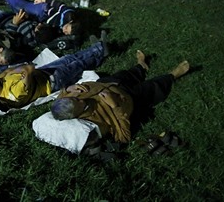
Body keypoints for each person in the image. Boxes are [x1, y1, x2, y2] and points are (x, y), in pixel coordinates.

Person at [50, 50, 190, 144]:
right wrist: (114, 106)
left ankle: (141, 65)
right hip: (129, 98)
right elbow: (124, 137)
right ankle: (173, 75)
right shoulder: (96, 122)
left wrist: (68, 89)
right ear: (76, 115)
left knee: (128, 74)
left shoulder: (63, 102)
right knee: (153, 87)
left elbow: (61, 96)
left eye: (74, 97)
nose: (80, 98)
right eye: (78, 102)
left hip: (109, 82)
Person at [0, 33, 109, 112]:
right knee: (77, 64)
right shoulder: (15, 93)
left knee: (68, 59)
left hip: (43, 74)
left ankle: (96, 50)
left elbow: (12, 70)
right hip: (51, 80)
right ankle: (101, 49)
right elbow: (29, 68)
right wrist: (24, 69)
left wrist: (22, 70)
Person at [0, 0, 81, 37]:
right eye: (66, 29)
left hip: (40, 19)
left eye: (66, 33)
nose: (64, 31)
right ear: (71, 22)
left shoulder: (62, 28)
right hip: (42, 10)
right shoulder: (68, 14)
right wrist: (44, 0)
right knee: (22, 6)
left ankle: (8, 1)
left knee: (19, 13)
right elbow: (60, 5)